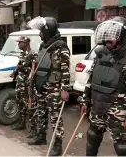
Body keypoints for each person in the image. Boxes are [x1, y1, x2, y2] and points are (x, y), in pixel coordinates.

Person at [80, 16, 126, 156]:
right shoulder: (100, 55)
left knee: (123, 147)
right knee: (92, 137)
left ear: (121, 36)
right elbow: (91, 80)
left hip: (118, 111)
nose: (108, 38)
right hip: (97, 106)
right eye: (107, 34)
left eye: (112, 35)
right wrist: (85, 100)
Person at [27, 16, 71, 156]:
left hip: (54, 88)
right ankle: (41, 137)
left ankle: (57, 146)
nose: (39, 34)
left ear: (48, 31)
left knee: (55, 118)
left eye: (41, 31)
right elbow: (38, 63)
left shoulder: (61, 48)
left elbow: (65, 70)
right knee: (41, 113)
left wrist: (64, 89)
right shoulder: (43, 46)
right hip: (41, 86)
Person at [9, 36, 38, 137]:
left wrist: (23, 69)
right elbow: (19, 66)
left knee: (30, 107)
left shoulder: (33, 54)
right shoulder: (22, 54)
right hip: (20, 84)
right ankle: (22, 123)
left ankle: (34, 130)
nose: (18, 44)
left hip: (27, 85)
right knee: (20, 105)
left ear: (25, 43)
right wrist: (15, 72)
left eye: (20, 42)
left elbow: (34, 71)